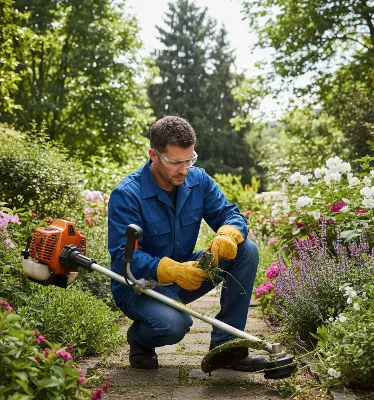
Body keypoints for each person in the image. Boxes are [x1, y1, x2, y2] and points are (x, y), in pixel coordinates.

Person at [108, 115, 265, 372]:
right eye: (175, 162)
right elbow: (121, 258)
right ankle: (139, 339)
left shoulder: (198, 180)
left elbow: (231, 214)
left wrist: (227, 233)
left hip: (186, 274)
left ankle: (226, 347)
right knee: (174, 326)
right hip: (139, 287)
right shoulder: (127, 195)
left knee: (246, 250)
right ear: (154, 155)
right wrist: (174, 271)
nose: (184, 169)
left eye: (189, 160)